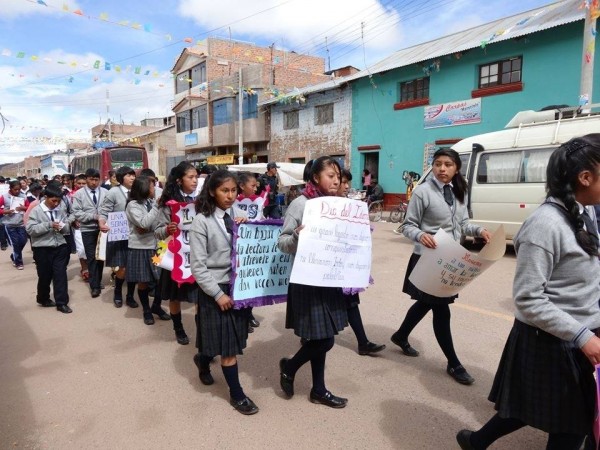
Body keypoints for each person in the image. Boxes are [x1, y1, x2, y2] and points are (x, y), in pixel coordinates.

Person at [456, 135, 600, 450]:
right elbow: (528, 299)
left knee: (538, 409)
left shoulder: (587, 213)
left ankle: (478, 441)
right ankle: (478, 441)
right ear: (585, 178)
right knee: (569, 425)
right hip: (553, 339)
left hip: (582, 332)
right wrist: (582, 336)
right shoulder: (545, 225)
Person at [391, 148, 491, 385]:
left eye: (448, 164)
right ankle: (454, 363)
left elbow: (463, 223)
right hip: (428, 259)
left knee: (428, 303)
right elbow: (407, 226)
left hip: (450, 258)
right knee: (441, 309)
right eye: (437, 164)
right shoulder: (422, 192)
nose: (442, 169)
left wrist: (479, 231)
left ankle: (400, 335)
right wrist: (420, 235)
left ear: (456, 168)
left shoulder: (459, 191)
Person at [277, 156, 350, 408]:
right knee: (324, 339)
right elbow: (282, 243)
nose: (336, 180)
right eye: (330, 175)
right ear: (316, 178)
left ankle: (318, 389)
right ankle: (290, 367)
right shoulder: (300, 204)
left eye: (338, 176)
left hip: (329, 279)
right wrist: (297, 236)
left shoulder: (338, 204)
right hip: (307, 281)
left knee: (322, 336)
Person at [189, 169, 258, 415]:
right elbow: (198, 267)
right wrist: (218, 295)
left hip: (238, 287)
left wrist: (247, 229)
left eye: (233, 191)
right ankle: (237, 396)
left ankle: (203, 358)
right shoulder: (201, 221)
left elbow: (251, 247)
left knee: (228, 338)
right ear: (211, 191)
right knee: (228, 347)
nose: (230, 196)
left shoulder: (238, 214)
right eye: (224, 191)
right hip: (214, 290)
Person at [338, 169, 385, 356]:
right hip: (323, 265)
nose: (347, 186)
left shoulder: (351, 205)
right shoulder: (315, 205)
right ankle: (309, 337)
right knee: (319, 305)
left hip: (345, 264)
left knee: (351, 302)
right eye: (342, 181)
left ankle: (363, 342)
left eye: (346, 182)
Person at [155, 162, 199, 345]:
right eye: (191, 177)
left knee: (199, 298)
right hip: (175, 257)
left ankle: (202, 334)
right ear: (180, 180)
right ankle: (178, 329)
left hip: (196, 258)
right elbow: (157, 231)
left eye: (196, 177)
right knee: (175, 296)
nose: (195, 181)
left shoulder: (202, 201)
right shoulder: (167, 204)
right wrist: (167, 228)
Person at [125, 176, 168, 325]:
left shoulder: (150, 203)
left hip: (159, 245)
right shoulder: (133, 205)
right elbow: (144, 223)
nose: (154, 190)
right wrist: (155, 209)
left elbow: (157, 223)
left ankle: (156, 305)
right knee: (143, 281)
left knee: (161, 279)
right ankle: (146, 310)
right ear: (143, 188)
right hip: (140, 248)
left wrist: (148, 226)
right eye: (151, 187)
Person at [25, 183, 72, 314]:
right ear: (46, 197)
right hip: (42, 249)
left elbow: (67, 228)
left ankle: (62, 303)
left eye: (58, 201)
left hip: (60, 247)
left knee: (60, 275)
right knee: (45, 276)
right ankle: (43, 298)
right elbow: (31, 229)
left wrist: (63, 226)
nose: (56, 204)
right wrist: (49, 225)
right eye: (53, 201)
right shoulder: (36, 210)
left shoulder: (60, 210)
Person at [98, 166, 138, 308]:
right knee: (123, 267)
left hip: (136, 235)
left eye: (133, 175)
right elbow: (104, 211)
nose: (132, 178)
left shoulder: (138, 191)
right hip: (120, 235)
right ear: (121, 178)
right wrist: (102, 223)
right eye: (129, 175)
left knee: (133, 267)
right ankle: (118, 292)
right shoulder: (113, 192)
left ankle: (130, 296)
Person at [232, 171, 266, 332]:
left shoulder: (259, 201)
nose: (255, 188)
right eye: (252, 185)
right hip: (238, 250)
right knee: (241, 283)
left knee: (252, 281)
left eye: (256, 185)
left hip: (253, 249)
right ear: (242, 186)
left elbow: (261, 218)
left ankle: (249, 313)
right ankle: (241, 315)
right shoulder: (232, 203)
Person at [72, 168, 109, 298]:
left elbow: (109, 208)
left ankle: (97, 281)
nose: (94, 182)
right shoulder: (79, 194)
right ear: (86, 179)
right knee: (91, 257)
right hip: (87, 229)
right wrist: (94, 217)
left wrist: (104, 219)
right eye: (91, 179)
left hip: (103, 229)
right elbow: (77, 213)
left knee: (100, 257)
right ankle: (94, 286)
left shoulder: (105, 192)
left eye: (96, 180)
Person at [0, 180, 28, 270]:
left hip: (21, 223)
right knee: (15, 244)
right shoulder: (4, 197)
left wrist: (24, 208)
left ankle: (14, 255)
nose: (17, 191)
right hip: (9, 224)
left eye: (19, 189)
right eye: (15, 189)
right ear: (10, 188)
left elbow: (29, 207)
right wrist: (5, 211)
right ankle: (18, 262)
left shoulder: (23, 196)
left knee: (23, 241)